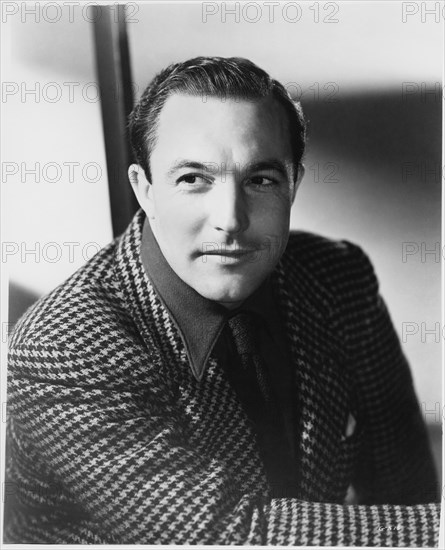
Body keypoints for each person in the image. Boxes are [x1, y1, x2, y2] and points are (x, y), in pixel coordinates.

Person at [4, 56, 440, 545]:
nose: (230, 220)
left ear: (294, 184)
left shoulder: (338, 278)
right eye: (193, 179)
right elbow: (226, 535)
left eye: (261, 180)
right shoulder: (63, 346)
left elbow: (405, 484)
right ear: (144, 190)